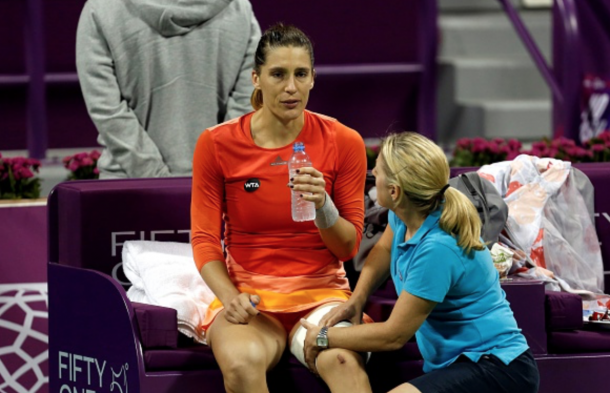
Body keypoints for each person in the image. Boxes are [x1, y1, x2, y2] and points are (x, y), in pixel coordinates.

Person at [191, 24, 372, 393]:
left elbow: (348, 248)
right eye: (278, 74)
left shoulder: (345, 141)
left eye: (300, 74)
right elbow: (205, 239)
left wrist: (324, 207)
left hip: (324, 297)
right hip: (250, 300)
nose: (290, 87)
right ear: (256, 78)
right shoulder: (216, 143)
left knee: (342, 361)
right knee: (241, 366)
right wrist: (231, 299)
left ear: (312, 80)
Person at [301, 132, 540, 393]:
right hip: (456, 364)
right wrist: (357, 298)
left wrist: (323, 336)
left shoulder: (438, 249)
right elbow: (383, 248)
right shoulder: (406, 213)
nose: (372, 173)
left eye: (377, 170)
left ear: (394, 191)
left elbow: (394, 335)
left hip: (498, 368)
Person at [76, 0, 260, 179]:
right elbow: (248, 101)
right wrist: (211, 173)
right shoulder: (239, 9)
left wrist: (156, 177)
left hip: (129, 187)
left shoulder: (100, 9)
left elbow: (106, 109)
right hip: (218, 189)